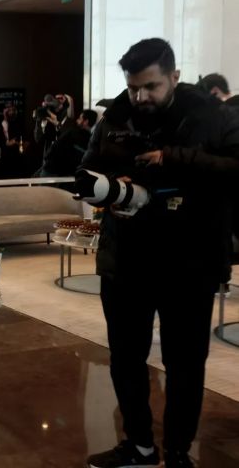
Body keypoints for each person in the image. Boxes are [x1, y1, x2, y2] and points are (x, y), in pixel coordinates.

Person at [81, 38, 239, 468]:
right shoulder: (116, 114)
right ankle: (139, 445)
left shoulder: (212, 115)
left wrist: (174, 158)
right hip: (127, 258)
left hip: (190, 261)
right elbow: (90, 166)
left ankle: (178, 452)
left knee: (185, 364)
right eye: (133, 87)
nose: (140, 97)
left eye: (150, 87)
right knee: (125, 358)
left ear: (174, 76)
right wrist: (109, 192)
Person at [38, 108, 97, 177]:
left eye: (80, 118)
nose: (77, 120)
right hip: (68, 175)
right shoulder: (91, 140)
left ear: (86, 121)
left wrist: (47, 158)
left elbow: (54, 147)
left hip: (51, 169)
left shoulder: (72, 132)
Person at [0, 103, 25, 178]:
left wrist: (15, 142)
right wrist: (7, 143)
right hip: (5, 156)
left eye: (13, 110)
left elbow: (22, 138)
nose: (11, 112)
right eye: (9, 110)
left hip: (16, 156)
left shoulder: (19, 122)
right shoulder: (1, 123)